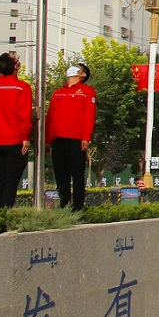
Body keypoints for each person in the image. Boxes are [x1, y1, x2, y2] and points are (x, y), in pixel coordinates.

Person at [0, 52, 33, 210]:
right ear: (14, 66)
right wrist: (25, 136)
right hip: (15, 141)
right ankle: (5, 212)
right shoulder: (22, 87)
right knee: (11, 182)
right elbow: (23, 114)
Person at [44, 61, 95, 212]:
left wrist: (86, 137)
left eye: (78, 68)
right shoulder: (58, 92)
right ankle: (64, 204)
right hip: (58, 139)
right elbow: (50, 116)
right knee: (61, 173)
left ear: (82, 75)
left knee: (77, 173)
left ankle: (78, 207)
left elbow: (89, 115)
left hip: (76, 139)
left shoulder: (87, 91)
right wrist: (47, 139)